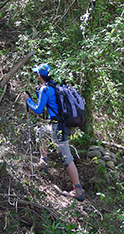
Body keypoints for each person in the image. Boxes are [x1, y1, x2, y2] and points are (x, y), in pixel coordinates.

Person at [22, 63, 85, 201]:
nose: (36, 75)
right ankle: (43, 162)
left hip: (59, 127)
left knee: (65, 157)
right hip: (59, 125)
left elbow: (38, 110)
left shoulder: (46, 89)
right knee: (41, 132)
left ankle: (78, 189)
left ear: (40, 75)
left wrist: (27, 100)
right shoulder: (52, 87)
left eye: (37, 73)